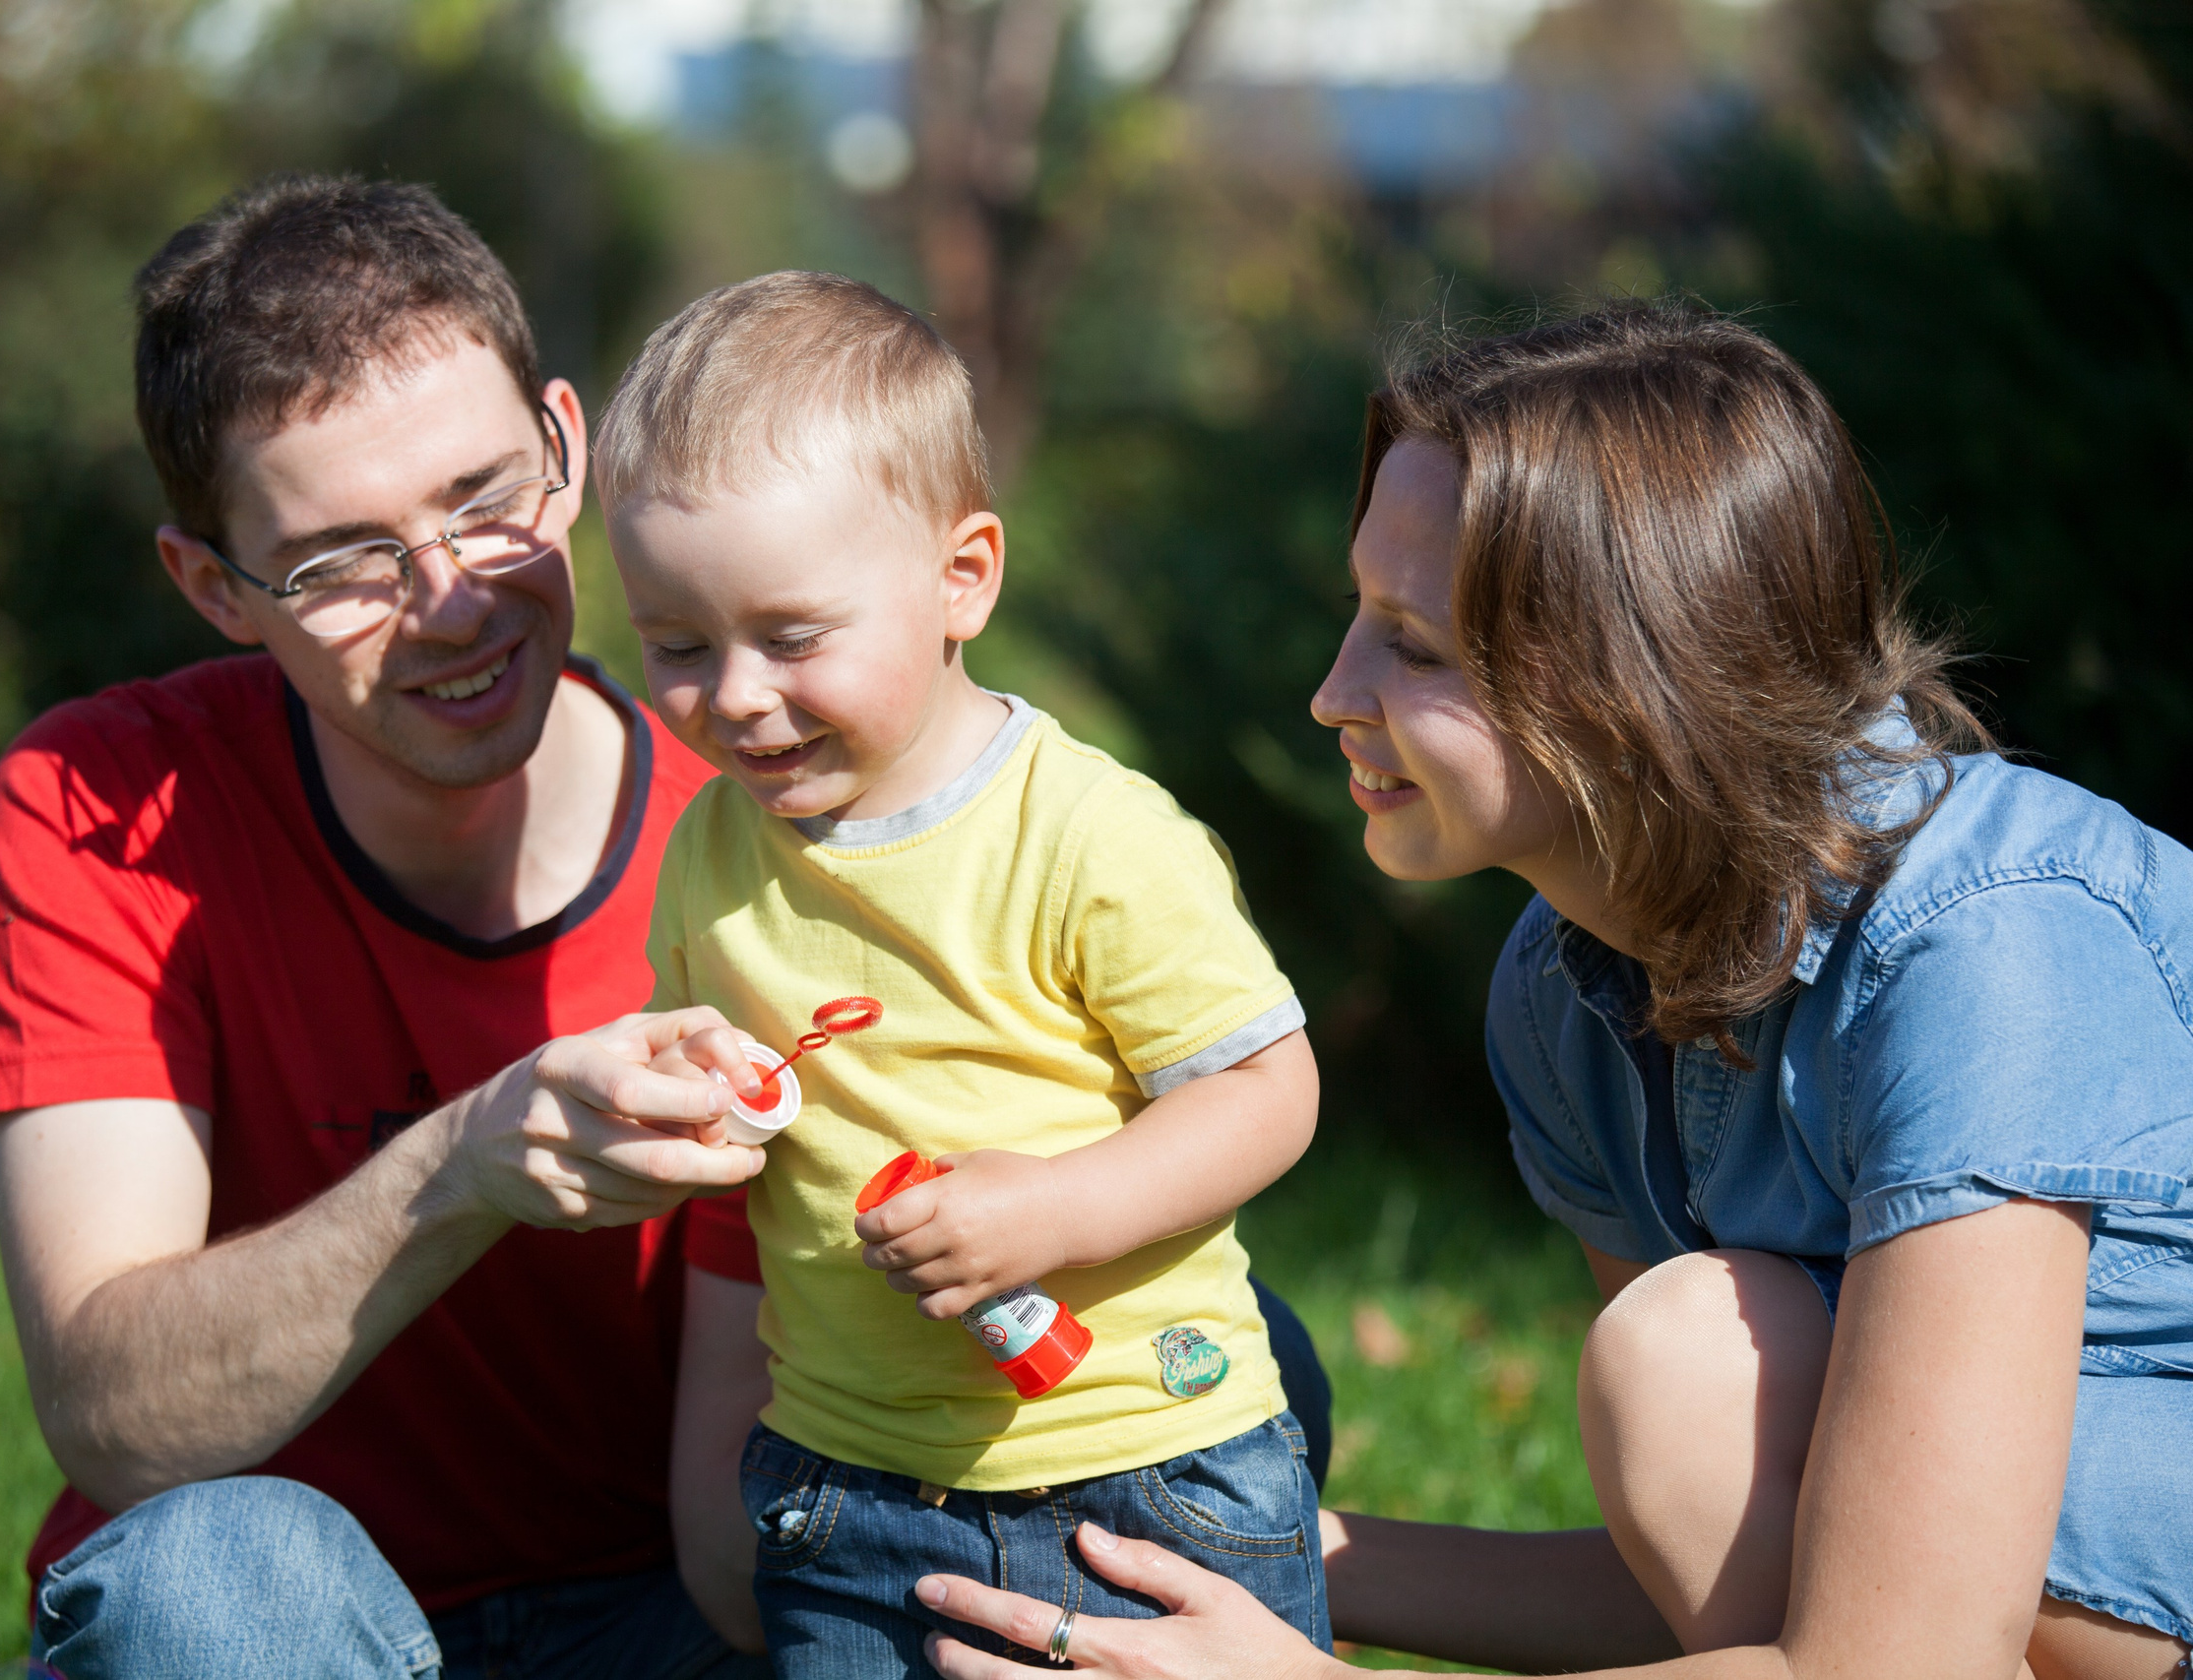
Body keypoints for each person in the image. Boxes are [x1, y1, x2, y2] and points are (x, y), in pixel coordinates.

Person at [908, 299, 2193, 1680]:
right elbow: (1720, 1577)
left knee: (1688, 1357)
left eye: (1415, 644)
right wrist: (1250, 1556)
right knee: (1688, 1374)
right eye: (1360, 615)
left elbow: (1902, 1659)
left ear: (1633, 680)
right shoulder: (1561, 987)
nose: (1335, 694)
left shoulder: (1988, 942)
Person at [0, 175, 780, 1680]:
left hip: (680, 1607)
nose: (451, 603)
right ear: (212, 588)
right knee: (207, 1579)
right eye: (340, 564)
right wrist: (464, 1164)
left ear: (566, 448)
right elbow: (116, 1421)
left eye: (483, 501)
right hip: (276, 1621)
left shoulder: (765, 811)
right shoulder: (99, 802)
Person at [589, 271, 1332, 1678]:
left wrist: (1058, 1207)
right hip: (845, 1485)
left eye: (793, 637)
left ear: (962, 578)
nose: (736, 694)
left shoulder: (1087, 834)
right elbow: (730, 1175)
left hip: (1139, 1473)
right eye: (677, 645)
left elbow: (1264, 1088)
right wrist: (690, 1100)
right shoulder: (707, 848)